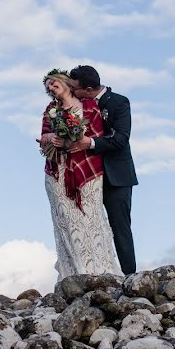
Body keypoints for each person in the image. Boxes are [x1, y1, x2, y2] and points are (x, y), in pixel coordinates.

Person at [39, 69, 122, 280]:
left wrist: (75, 140)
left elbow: (97, 135)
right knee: (67, 219)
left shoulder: (90, 106)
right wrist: (53, 138)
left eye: (53, 84)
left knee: (92, 217)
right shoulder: (51, 110)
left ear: (65, 84)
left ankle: (102, 269)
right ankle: (74, 272)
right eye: (48, 87)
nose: (50, 89)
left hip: (88, 169)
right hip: (59, 171)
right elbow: (44, 136)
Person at [67, 65, 138, 274]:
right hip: (87, 177)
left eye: (75, 88)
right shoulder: (75, 105)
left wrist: (89, 143)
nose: (72, 91)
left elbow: (121, 139)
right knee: (89, 227)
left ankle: (128, 276)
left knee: (120, 228)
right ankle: (95, 272)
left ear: (89, 90)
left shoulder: (119, 102)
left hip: (116, 177)